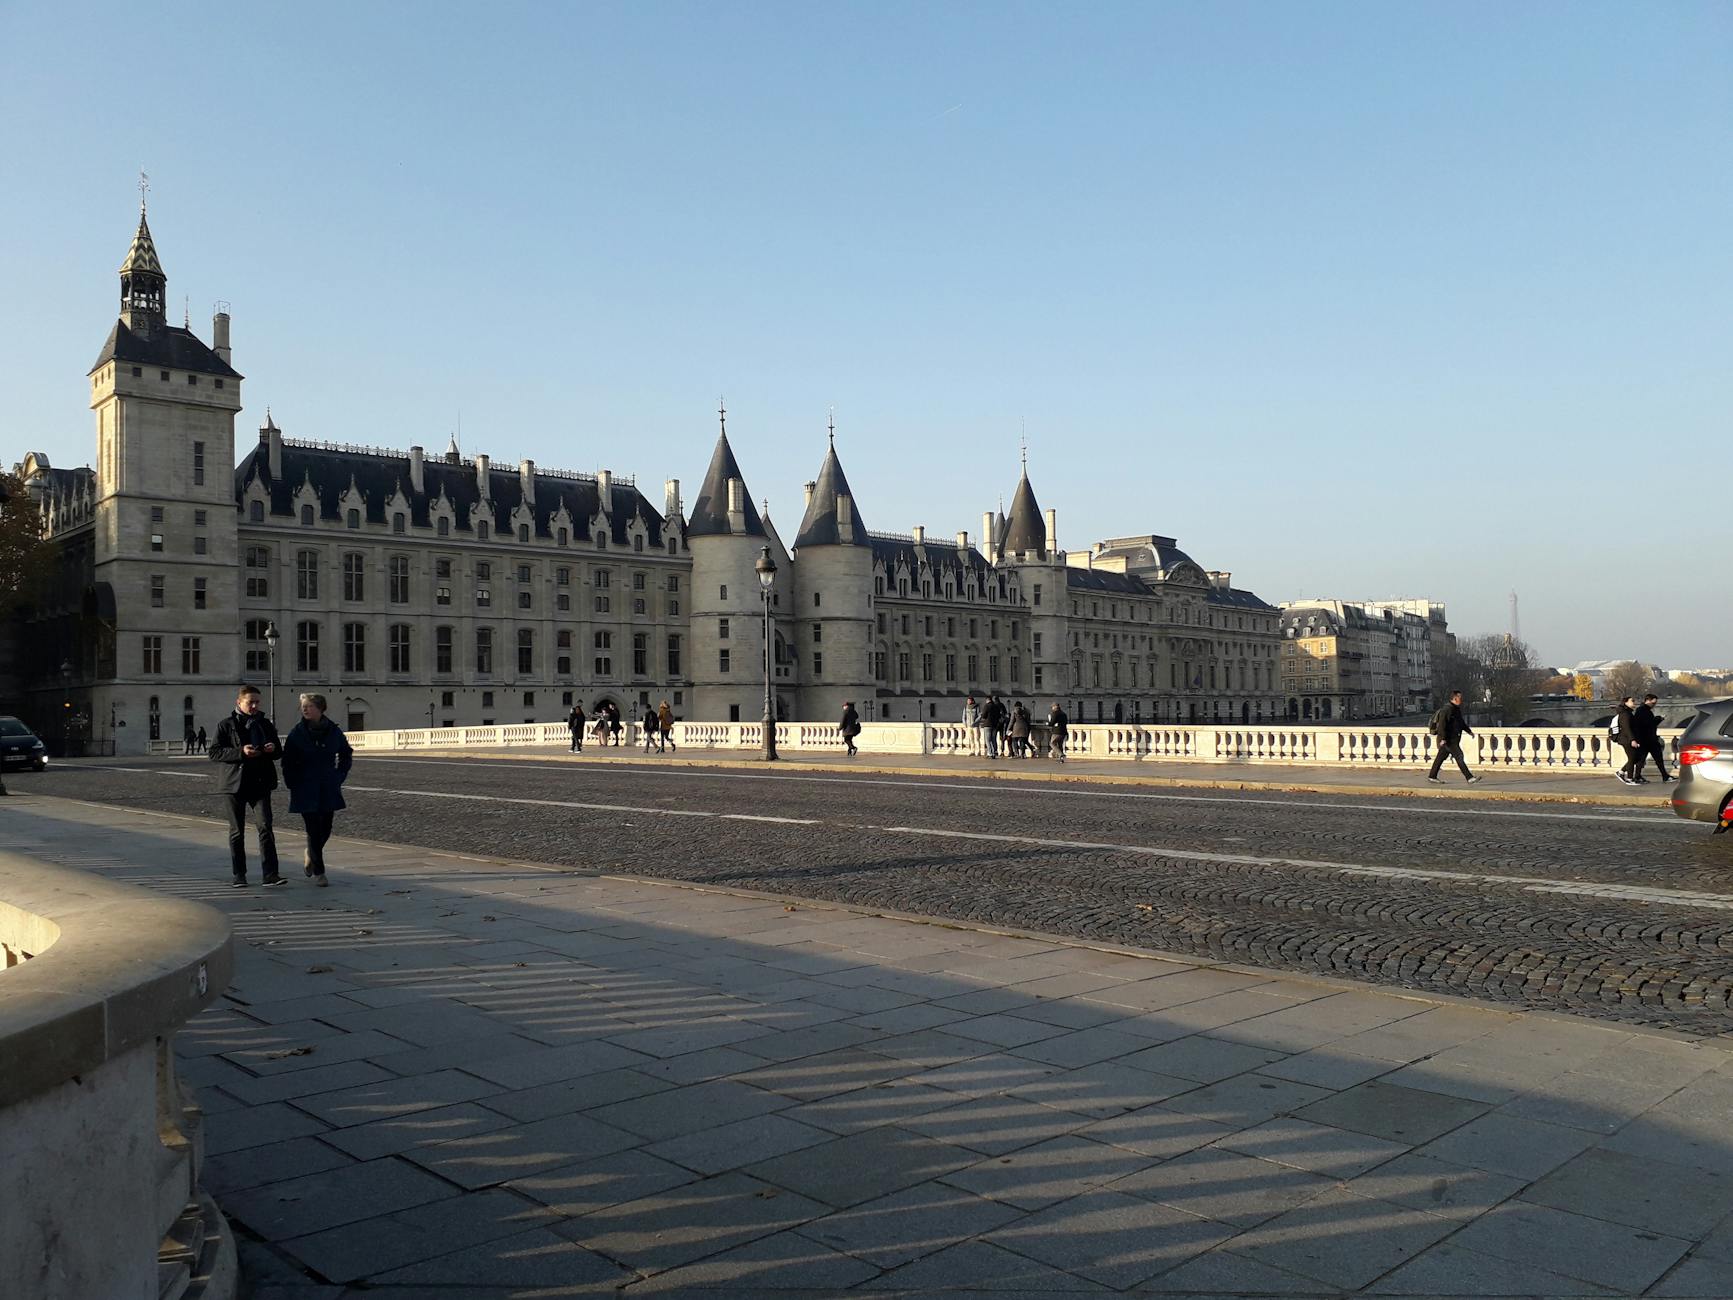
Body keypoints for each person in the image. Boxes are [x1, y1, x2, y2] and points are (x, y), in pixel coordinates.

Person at [208, 684, 283, 886]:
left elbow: (278, 752)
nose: (255, 706)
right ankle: (239, 874)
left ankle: (270, 874)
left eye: (257, 702)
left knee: (266, 827)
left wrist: (272, 748)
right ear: (239, 702)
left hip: (260, 783)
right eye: (251, 702)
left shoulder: (265, 724)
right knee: (236, 831)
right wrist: (241, 752)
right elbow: (214, 752)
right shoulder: (226, 725)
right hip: (234, 785)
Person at [280, 693, 353, 887]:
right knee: (313, 829)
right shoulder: (297, 733)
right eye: (303, 706)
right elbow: (287, 762)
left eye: (309, 706)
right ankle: (320, 872)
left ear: (321, 709)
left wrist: (340, 775)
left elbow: (346, 754)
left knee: (326, 827)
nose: (305, 709)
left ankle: (310, 853)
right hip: (305, 786)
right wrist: (292, 782)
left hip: (328, 784)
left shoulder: (334, 732)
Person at [1426, 689, 1480, 784]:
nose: (1461, 699)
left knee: (1440, 758)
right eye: (1460, 697)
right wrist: (1442, 739)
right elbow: (1442, 725)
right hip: (1449, 740)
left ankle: (1432, 776)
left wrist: (1469, 731)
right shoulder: (1447, 710)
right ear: (1455, 698)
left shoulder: (1456, 709)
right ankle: (1469, 777)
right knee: (1459, 756)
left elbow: (1461, 723)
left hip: (1452, 739)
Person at [1631, 693, 1673, 783]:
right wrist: (1659, 718)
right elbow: (1648, 724)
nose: (1654, 705)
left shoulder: (1643, 710)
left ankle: (1638, 776)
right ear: (1648, 701)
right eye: (1653, 703)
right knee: (1655, 759)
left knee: (1644, 760)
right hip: (1648, 739)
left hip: (1646, 739)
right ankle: (1664, 776)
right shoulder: (1643, 711)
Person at [1613, 695, 1643, 785]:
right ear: (1626, 703)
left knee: (1636, 757)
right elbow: (1627, 728)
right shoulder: (1625, 714)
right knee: (1632, 758)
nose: (1634, 702)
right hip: (1626, 739)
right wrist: (1632, 740)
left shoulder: (1628, 712)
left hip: (1627, 738)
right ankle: (1629, 778)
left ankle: (1621, 772)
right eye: (1632, 701)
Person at [982, 694, 1003, 759]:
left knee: (988, 740)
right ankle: (995, 752)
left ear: (987, 700)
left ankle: (990, 753)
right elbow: (999, 716)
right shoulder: (996, 706)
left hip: (988, 725)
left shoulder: (986, 706)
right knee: (994, 739)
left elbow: (984, 716)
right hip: (995, 725)